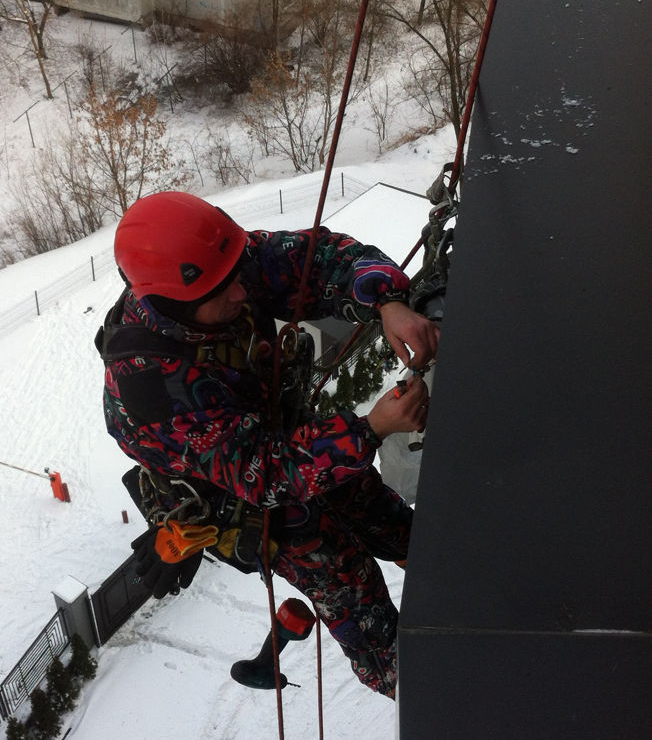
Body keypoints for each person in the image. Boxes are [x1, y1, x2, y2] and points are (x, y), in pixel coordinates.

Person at [97, 191, 439, 698]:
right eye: (224, 288)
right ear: (174, 305)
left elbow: (317, 261)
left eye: (239, 271)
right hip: (247, 502)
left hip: (287, 441)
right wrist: (370, 430)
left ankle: (453, 580)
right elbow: (263, 471)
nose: (242, 291)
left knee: (387, 518)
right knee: (347, 580)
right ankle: (420, 691)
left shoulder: (219, 268)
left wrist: (385, 301)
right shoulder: (152, 390)